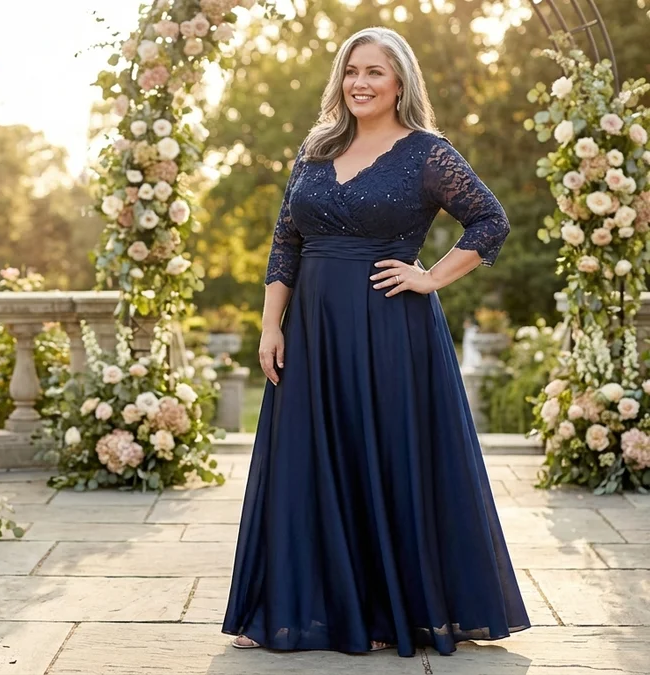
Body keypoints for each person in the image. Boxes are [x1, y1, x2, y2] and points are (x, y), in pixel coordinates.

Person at [221, 26, 530, 657]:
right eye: (351, 71)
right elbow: (287, 244)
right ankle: (312, 606)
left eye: (375, 73)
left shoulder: (426, 152)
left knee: (384, 455)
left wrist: (430, 277)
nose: (359, 82)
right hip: (312, 333)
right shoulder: (314, 150)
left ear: (400, 83)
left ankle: (394, 608)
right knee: (310, 462)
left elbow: (490, 221)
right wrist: (270, 325)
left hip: (390, 331)